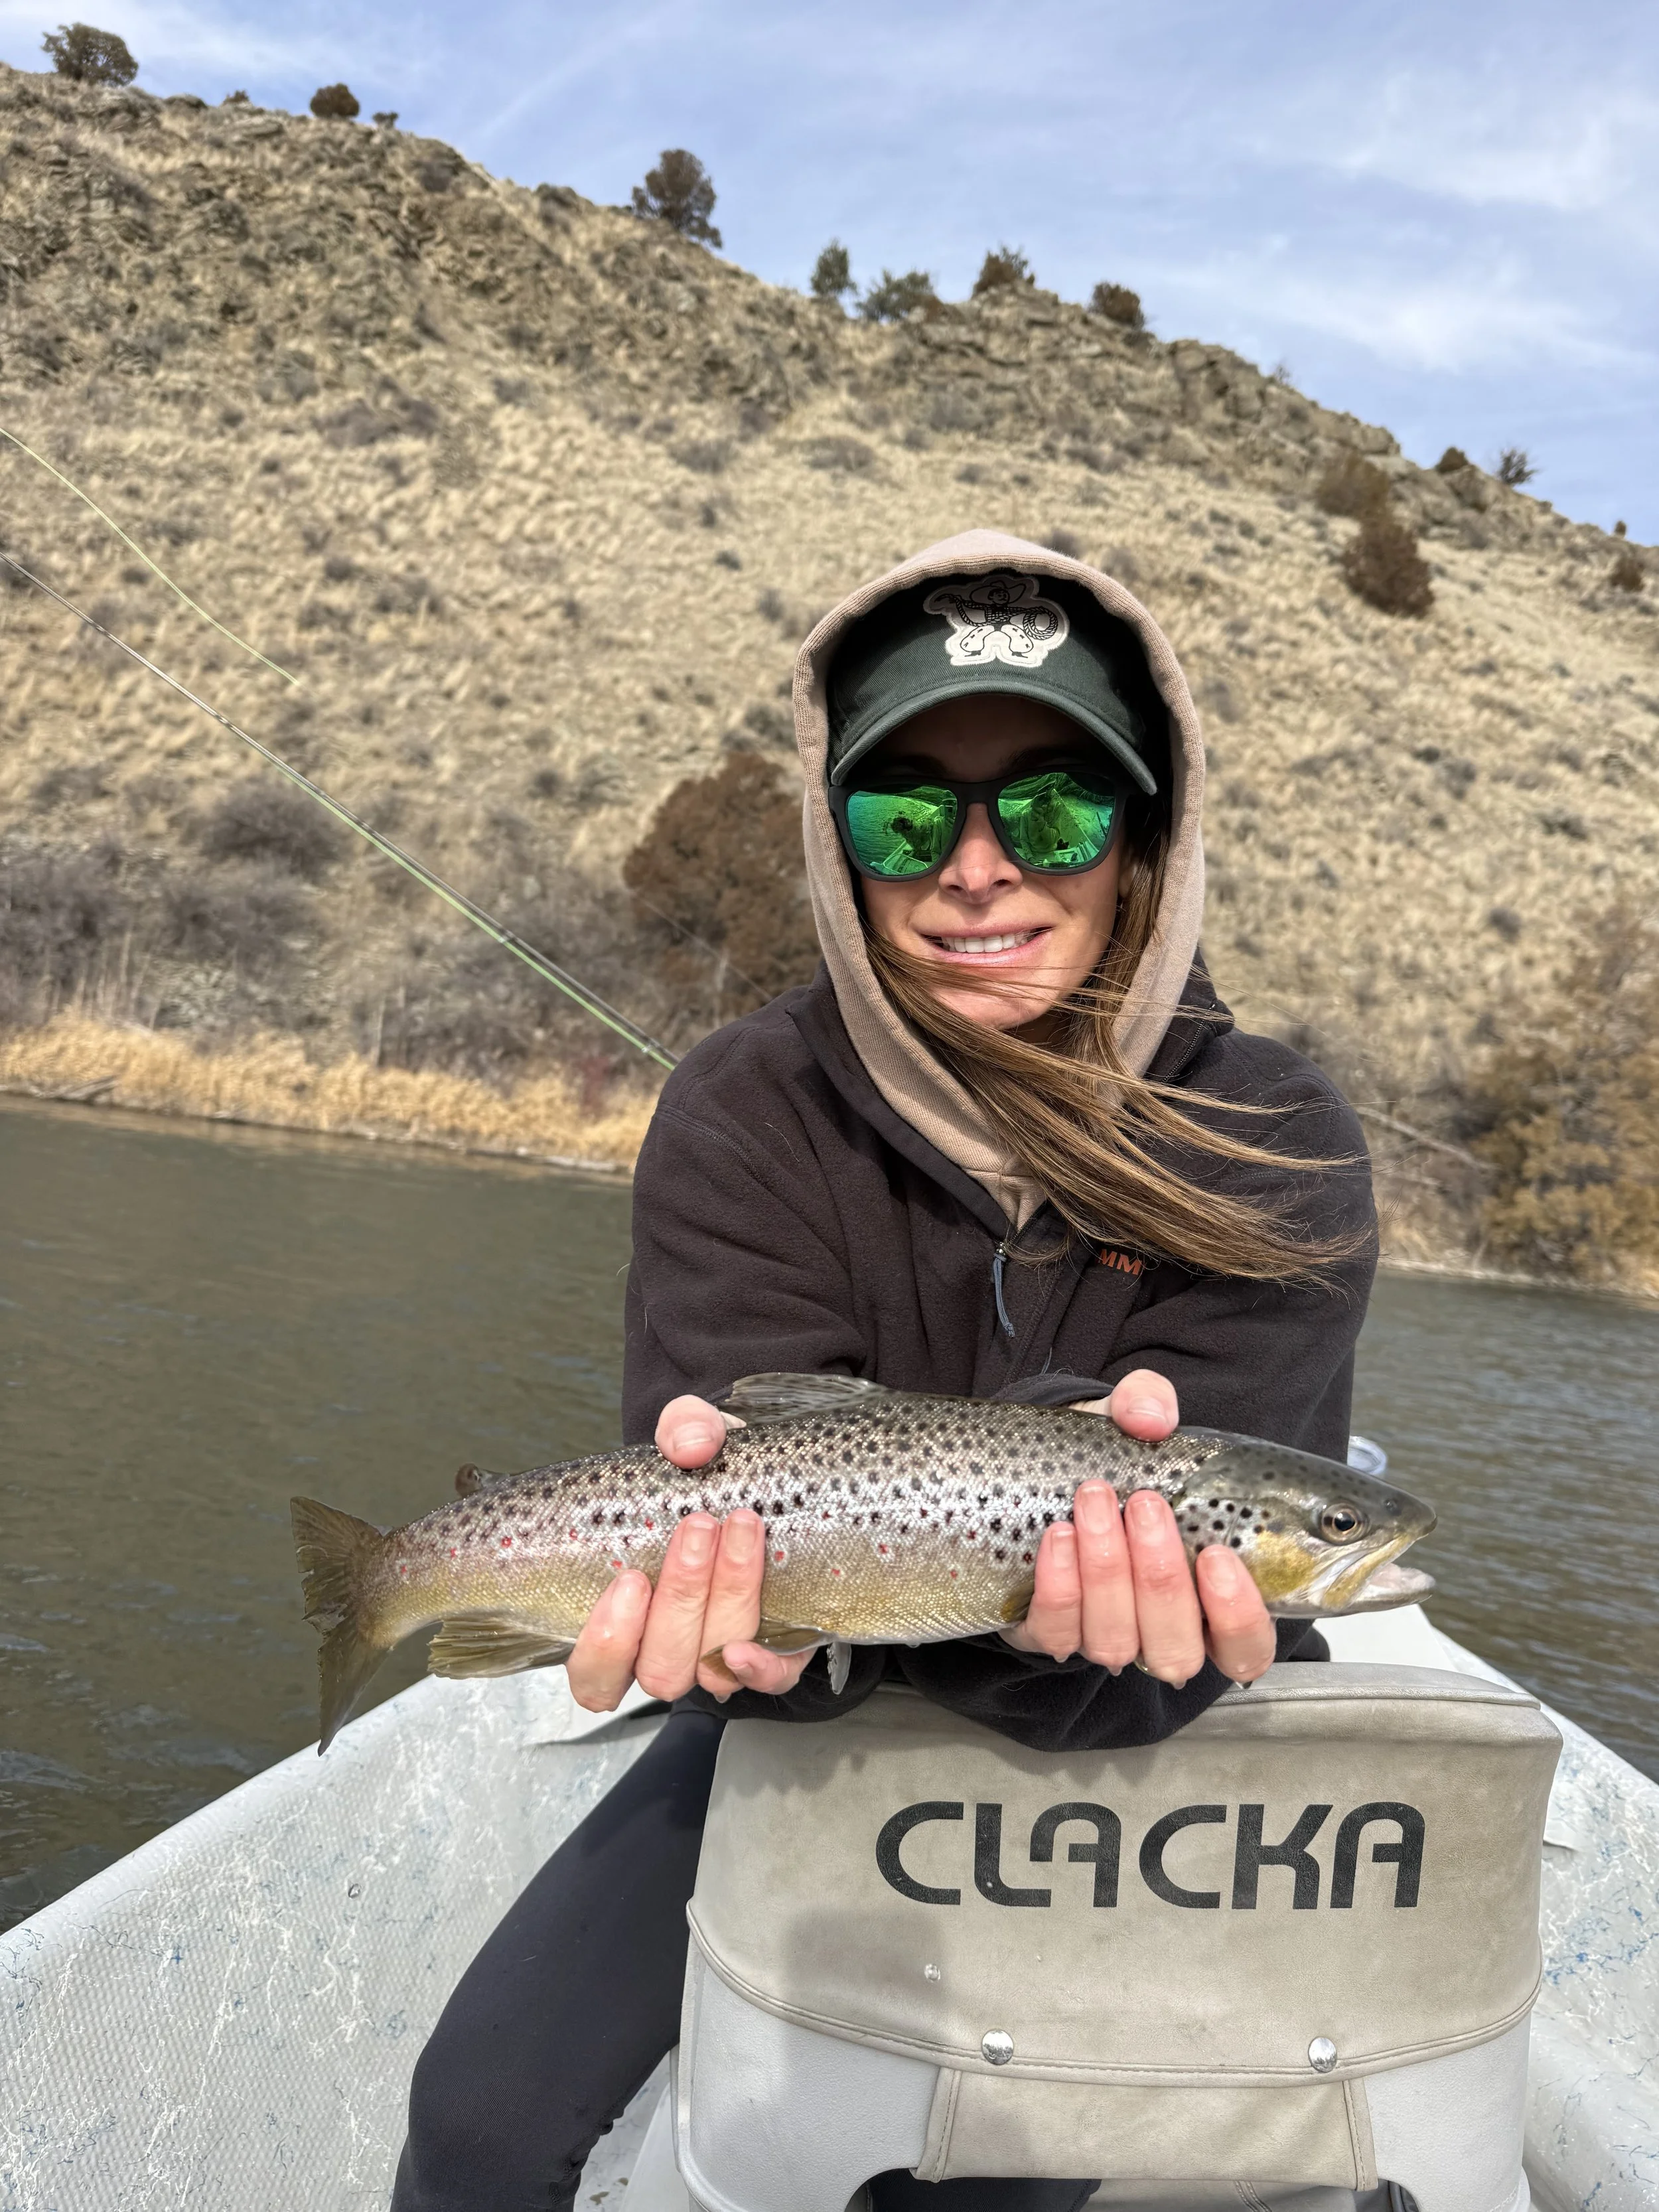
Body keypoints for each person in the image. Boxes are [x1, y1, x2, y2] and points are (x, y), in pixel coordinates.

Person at [394, 532, 1376, 2212]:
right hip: (805, 1713)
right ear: (836, 847)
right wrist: (750, 1653)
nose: (977, 870)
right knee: (477, 2129)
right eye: (906, 818)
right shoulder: (745, 1105)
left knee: (1004, 2170)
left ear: (1140, 834)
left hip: (1143, 1748)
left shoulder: (1267, 1137)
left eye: (1051, 809)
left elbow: (1149, 1662)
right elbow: (739, 1557)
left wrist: (1066, 1582)